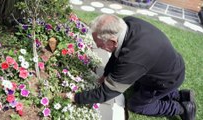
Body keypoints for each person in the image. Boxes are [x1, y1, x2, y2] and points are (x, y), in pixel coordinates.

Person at [61, 14, 196, 120]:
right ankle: (180, 95)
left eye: (101, 45)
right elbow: (116, 54)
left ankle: (181, 108)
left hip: (166, 80)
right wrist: (106, 74)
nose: (100, 47)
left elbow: (107, 92)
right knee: (137, 87)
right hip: (168, 67)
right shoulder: (126, 24)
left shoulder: (132, 58)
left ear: (113, 41)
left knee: (137, 105)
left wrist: (75, 97)